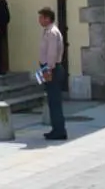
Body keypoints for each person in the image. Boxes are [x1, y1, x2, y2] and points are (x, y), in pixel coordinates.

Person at [38, 7, 67, 140]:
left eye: (41, 17)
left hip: (52, 69)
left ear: (47, 18)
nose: (39, 20)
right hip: (48, 68)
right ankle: (56, 128)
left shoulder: (52, 33)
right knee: (51, 100)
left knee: (54, 101)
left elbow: (52, 53)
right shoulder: (48, 31)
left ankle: (59, 130)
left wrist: (48, 69)